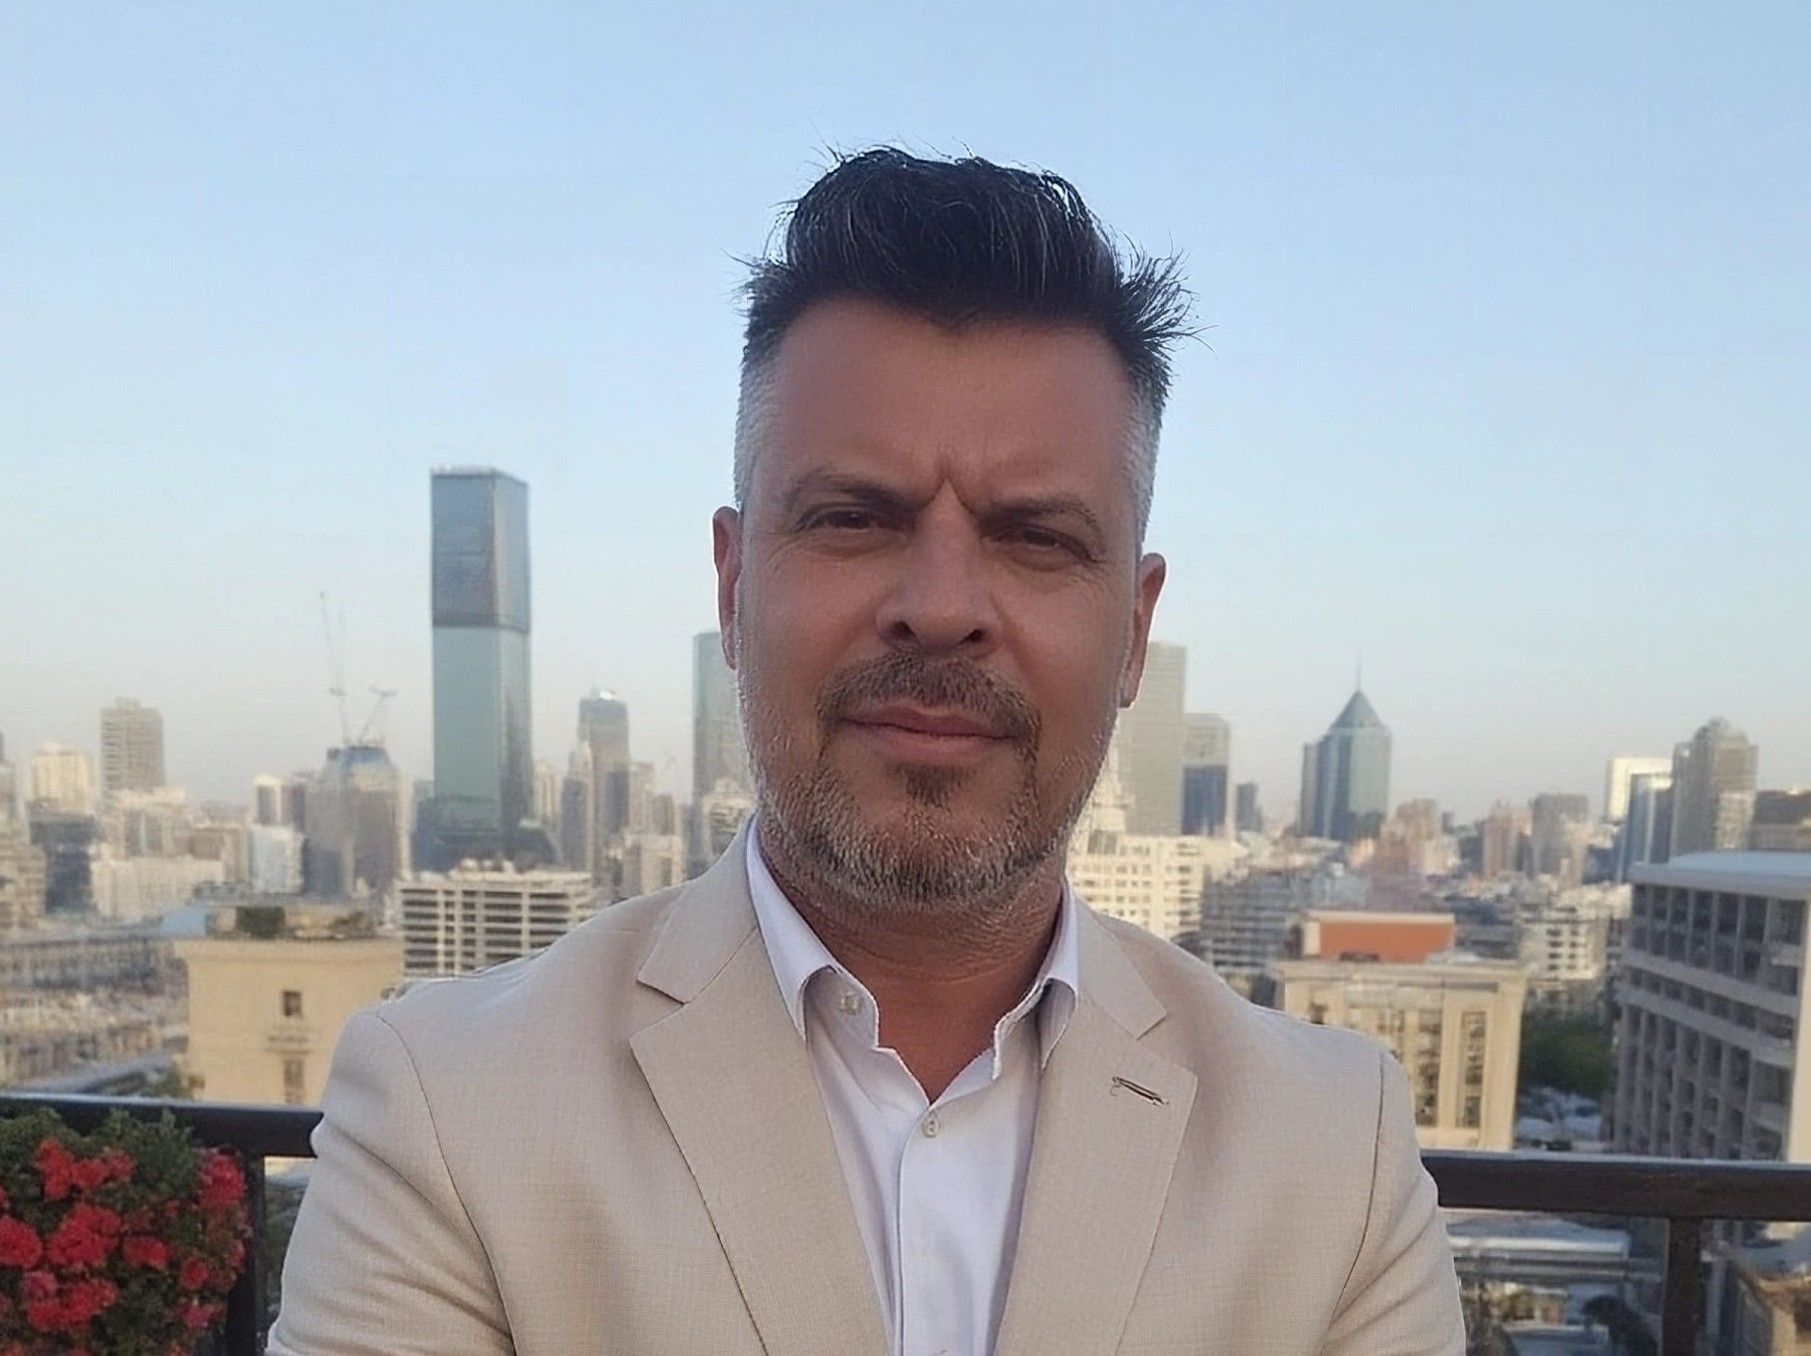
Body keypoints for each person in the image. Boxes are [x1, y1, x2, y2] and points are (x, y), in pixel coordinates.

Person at [270, 148, 1465, 1356]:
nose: (940, 604)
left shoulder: (1332, 1156)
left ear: (1134, 631)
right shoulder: (447, 1108)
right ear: (734, 588)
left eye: (1036, 537)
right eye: (853, 519)